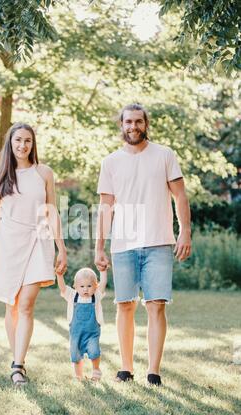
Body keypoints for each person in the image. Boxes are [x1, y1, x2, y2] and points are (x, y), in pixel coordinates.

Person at [95, 103, 191, 386]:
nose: (133, 127)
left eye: (138, 121)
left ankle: (153, 371)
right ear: (121, 125)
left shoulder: (164, 155)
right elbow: (105, 207)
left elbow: (180, 197)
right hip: (123, 243)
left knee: (156, 306)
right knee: (124, 305)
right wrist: (99, 247)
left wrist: (185, 230)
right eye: (128, 122)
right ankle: (125, 368)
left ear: (145, 124)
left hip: (158, 242)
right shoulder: (110, 162)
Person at [0, 122, 67, 386]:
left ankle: (18, 365)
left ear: (33, 144)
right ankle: (17, 359)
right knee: (13, 304)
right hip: (8, 244)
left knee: (27, 303)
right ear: (10, 142)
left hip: (38, 241)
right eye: (18, 140)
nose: (23, 145)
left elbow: (52, 211)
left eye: (28, 140)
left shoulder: (44, 173)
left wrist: (60, 247)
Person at [57, 268, 107, 381]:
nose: (85, 289)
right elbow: (63, 288)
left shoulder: (96, 296)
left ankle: (96, 370)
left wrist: (103, 272)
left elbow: (103, 284)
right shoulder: (72, 295)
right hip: (76, 333)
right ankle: (78, 375)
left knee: (94, 351)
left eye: (89, 286)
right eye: (82, 286)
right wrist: (59, 276)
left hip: (92, 333)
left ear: (95, 286)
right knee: (75, 353)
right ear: (75, 286)